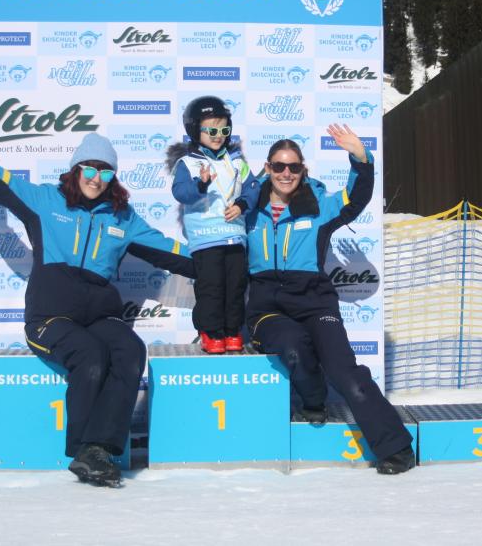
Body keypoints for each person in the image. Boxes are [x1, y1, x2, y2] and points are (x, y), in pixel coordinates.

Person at [0, 95, 194, 488]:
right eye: (90, 169)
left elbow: (169, 251)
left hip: (99, 316)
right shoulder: (45, 201)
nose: (96, 178)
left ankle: (97, 451)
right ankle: (85, 448)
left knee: (130, 350)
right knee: (90, 356)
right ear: (76, 169)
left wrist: (223, 262)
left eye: (106, 172)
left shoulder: (123, 218)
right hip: (50, 318)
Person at [243, 125, 416, 475]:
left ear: (303, 170)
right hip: (268, 306)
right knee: (293, 347)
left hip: (314, 301)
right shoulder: (247, 209)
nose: (286, 173)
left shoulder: (319, 205)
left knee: (345, 373)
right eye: (279, 166)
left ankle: (397, 448)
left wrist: (361, 158)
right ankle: (313, 400)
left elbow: (356, 198)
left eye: (294, 167)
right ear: (268, 168)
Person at [166, 96, 259, 354]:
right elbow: (181, 192)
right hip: (206, 240)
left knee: (236, 286)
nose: (218, 136)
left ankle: (232, 331)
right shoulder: (187, 163)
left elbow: (253, 187)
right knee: (212, 288)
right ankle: (211, 332)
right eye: (211, 131)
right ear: (195, 130)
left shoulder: (237, 162)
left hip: (234, 237)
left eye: (224, 130)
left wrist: (242, 204)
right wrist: (201, 184)